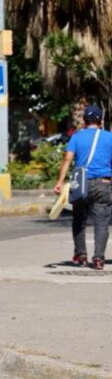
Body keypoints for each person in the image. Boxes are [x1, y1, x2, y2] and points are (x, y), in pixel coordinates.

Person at [53, 104, 112, 269]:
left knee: (79, 219)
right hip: (104, 183)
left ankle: (81, 255)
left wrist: (59, 182)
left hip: (81, 183)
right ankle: (99, 258)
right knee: (102, 222)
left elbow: (67, 159)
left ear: (85, 121)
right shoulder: (110, 137)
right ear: (100, 121)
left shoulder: (77, 137)